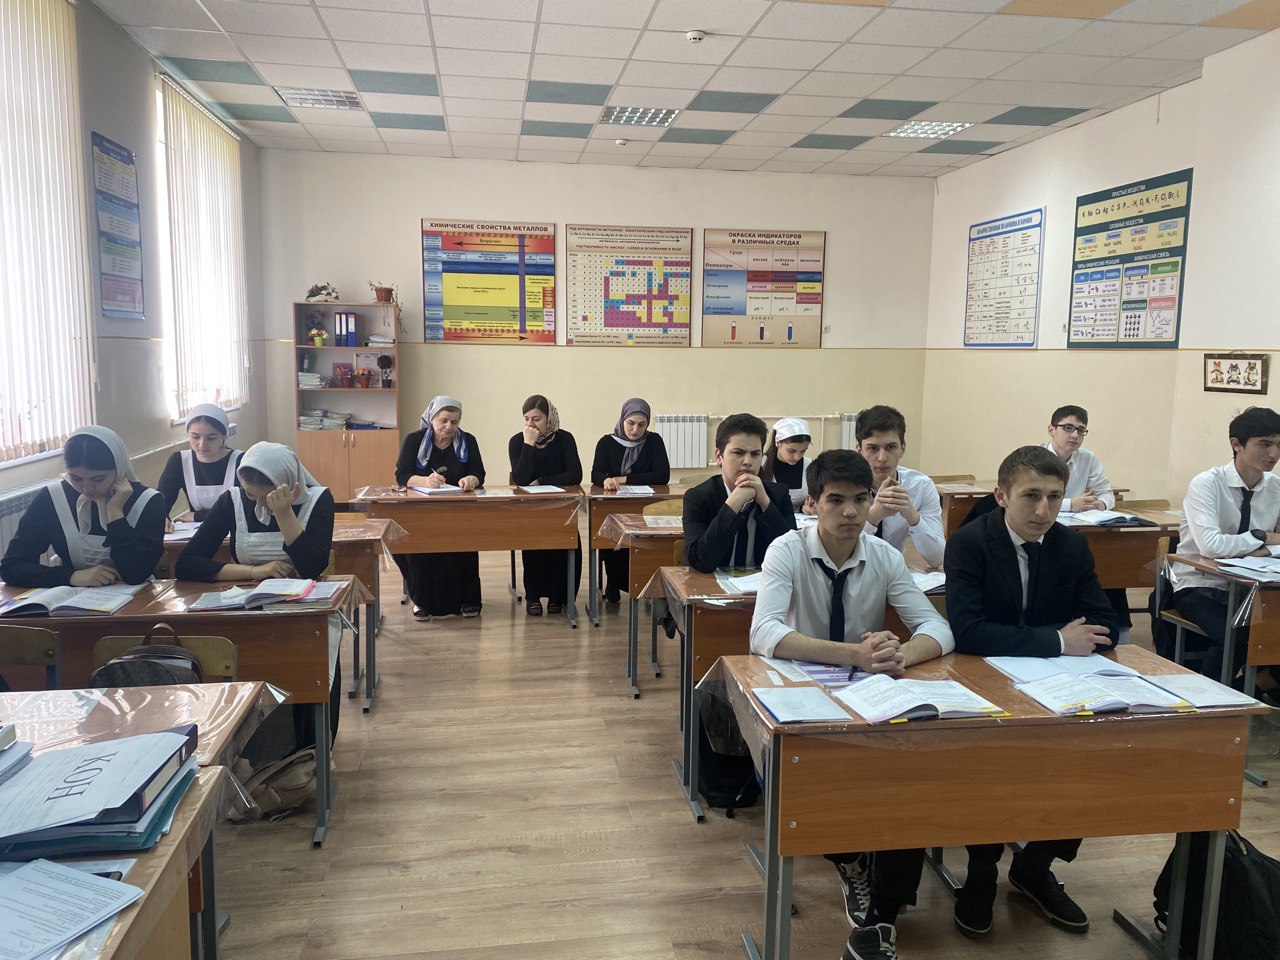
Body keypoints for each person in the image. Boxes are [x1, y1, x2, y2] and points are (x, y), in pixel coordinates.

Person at [750, 449, 953, 960]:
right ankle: (850, 859)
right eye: (835, 500)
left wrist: (900, 656)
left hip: (868, 692)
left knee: (913, 772)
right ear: (812, 503)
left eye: (861, 500)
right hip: (801, 694)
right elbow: (764, 632)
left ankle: (882, 916)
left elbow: (937, 627)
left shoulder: (882, 555)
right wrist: (854, 655)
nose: (850, 512)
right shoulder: (786, 550)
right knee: (818, 782)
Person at [944, 445, 1119, 940]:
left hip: (1058, 682)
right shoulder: (970, 542)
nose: (1044, 510)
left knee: (1091, 756)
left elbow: (1104, 622)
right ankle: (981, 871)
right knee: (992, 765)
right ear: (1001, 495)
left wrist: (1056, 643)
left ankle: (1035, 865)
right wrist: (1058, 640)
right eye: (1031, 496)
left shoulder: (1070, 544)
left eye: (1055, 497)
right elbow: (969, 631)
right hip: (984, 679)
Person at [175, 441, 340, 747]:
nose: (259, 502)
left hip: (301, 613)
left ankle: (306, 750)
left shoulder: (319, 499)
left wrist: (284, 512)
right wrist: (253, 571)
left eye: (268, 494)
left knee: (301, 683)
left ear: (289, 484)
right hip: (247, 610)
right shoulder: (233, 500)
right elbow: (187, 563)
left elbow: (311, 567)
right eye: (252, 493)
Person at [1171, 406, 1280, 702]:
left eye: (1279, 445)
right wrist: (1260, 537)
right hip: (1200, 584)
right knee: (1236, 636)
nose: (1274, 453)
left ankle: (1255, 687)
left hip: (1254, 588)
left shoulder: (1275, 488)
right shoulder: (1207, 483)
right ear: (1236, 444)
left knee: (1271, 635)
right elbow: (1211, 546)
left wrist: (1264, 547)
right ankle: (1208, 704)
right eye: (1264, 444)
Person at [2, 426, 165, 587]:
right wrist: (71, 576)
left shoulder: (148, 501)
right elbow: (12, 566)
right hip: (75, 599)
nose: (87, 488)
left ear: (119, 468)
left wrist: (115, 513)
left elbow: (136, 573)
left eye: (98, 479)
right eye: (76, 478)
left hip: (138, 600)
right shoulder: (53, 497)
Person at [1043, 404, 1131, 641]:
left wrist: (1099, 504)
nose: (1074, 435)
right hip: (1045, 530)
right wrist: (1071, 504)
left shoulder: (1087, 458)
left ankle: (1119, 631)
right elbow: (1032, 500)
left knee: (1111, 563)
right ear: (1051, 430)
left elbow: (1107, 494)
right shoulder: (1036, 457)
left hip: (1083, 531)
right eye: (1068, 428)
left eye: (1080, 430)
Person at [394, 397, 486, 622]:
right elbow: (402, 475)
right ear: (431, 418)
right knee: (418, 547)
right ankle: (422, 601)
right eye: (443, 420)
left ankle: (468, 599)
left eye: (454, 422)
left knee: (464, 544)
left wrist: (471, 480)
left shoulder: (468, 441)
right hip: (421, 511)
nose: (449, 426)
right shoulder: (414, 440)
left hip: (458, 510)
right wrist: (426, 481)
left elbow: (479, 473)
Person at [683, 413, 796, 573]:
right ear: (719, 457)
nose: (748, 462)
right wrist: (733, 504)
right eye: (738, 453)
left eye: (755, 454)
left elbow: (793, 555)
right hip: (712, 584)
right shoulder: (698, 497)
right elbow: (701, 561)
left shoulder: (778, 494)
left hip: (762, 585)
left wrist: (765, 503)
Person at [591, 398, 670, 604]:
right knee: (612, 539)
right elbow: (596, 473)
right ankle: (614, 581)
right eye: (631, 423)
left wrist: (624, 479)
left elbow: (662, 475)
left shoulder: (654, 441)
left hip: (645, 504)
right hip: (614, 505)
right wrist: (605, 480)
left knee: (645, 543)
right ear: (622, 420)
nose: (635, 430)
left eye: (642, 425)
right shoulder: (606, 443)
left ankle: (645, 583)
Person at [508, 395, 582, 616]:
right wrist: (528, 444)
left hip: (561, 507)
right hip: (530, 509)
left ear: (549, 419)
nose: (531, 425)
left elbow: (575, 474)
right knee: (534, 546)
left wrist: (541, 480)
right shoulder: (517, 441)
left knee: (563, 546)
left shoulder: (565, 439)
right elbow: (521, 479)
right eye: (527, 419)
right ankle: (533, 596)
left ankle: (558, 597)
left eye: (537, 419)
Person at [853, 405, 945, 568]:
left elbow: (937, 559)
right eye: (872, 448)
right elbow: (836, 551)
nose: (882, 458)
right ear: (859, 450)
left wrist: (912, 515)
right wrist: (873, 517)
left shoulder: (921, 486)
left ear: (902, 449)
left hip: (893, 571)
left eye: (890, 447)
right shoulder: (845, 485)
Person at [156, 404, 242, 523]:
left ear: (224, 436)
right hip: (196, 531)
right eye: (195, 437)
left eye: (211, 438)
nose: (202, 445)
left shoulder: (241, 461)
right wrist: (161, 519)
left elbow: (246, 509)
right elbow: (160, 503)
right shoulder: (179, 461)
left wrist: (199, 516)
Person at [761, 417, 812, 512]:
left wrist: (810, 507)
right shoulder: (762, 464)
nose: (797, 457)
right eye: (791, 451)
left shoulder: (809, 465)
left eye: (803, 451)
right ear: (778, 443)